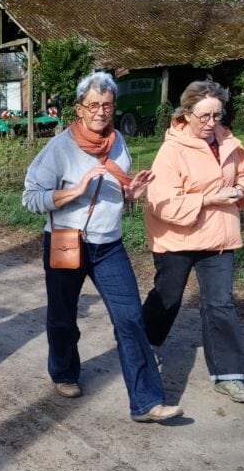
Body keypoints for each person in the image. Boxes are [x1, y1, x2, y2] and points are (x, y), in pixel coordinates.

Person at [22, 71, 182, 423]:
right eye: (93, 105)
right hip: (66, 241)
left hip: (109, 245)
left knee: (131, 318)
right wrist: (75, 191)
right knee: (63, 317)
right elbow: (31, 198)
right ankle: (64, 372)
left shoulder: (118, 142)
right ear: (79, 108)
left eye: (107, 105)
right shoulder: (59, 148)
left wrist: (130, 194)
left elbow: (116, 194)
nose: (100, 112)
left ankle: (147, 402)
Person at [142, 80, 244, 403]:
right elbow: (162, 202)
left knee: (220, 303)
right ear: (186, 113)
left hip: (218, 237)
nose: (211, 123)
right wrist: (209, 199)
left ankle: (229, 375)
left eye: (217, 115)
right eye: (204, 116)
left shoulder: (228, 141)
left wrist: (243, 191)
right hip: (176, 237)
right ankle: (141, 345)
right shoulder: (171, 150)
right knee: (168, 298)